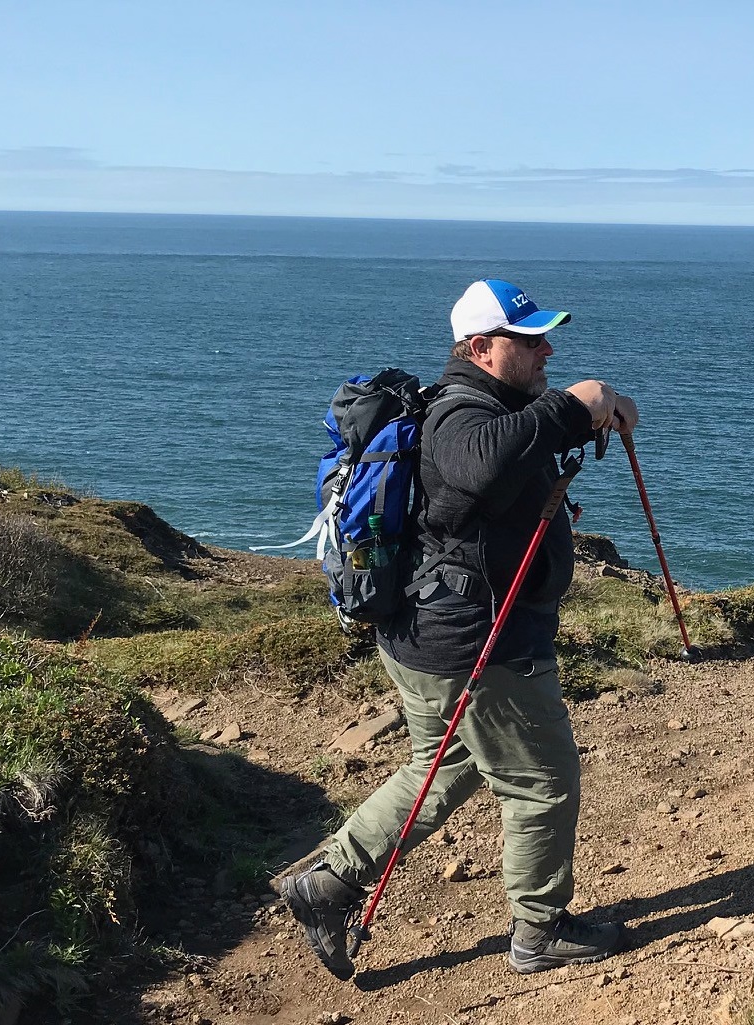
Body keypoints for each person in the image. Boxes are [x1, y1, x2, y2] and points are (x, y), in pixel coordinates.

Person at [278, 278, 638, 979]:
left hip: (429, 636)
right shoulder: (459, 417)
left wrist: (597, 410)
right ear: (480, 347)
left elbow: (520, 437)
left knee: (444, 762)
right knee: (542, 779)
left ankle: (326, 884)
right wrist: (571, 405)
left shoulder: (496, 402)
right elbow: (478, 463)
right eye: (528, 339)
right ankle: (539, 931)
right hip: (478, 644)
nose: (546, 348)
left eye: (543, 335)